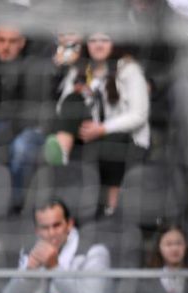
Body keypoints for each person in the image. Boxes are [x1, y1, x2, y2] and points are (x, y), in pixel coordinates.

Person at [42, 30, 150, 215]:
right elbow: (62, 109)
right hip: (90, 135)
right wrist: (80, 92)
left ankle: (112, 209)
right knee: (73, 99)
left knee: (111, 144)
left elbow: (139, 115)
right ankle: (62, 151)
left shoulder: (129, 69)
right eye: (93, 40)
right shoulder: (80, 68)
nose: (98, 45)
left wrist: (102, 128)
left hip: (127, 140)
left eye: (104, 40)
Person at [0, 23, 49, 207]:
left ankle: (12, 204)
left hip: (16, 130)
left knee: (23, 146)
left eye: (12, 41)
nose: (5, 47)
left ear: (22, 42)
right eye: (1, 40)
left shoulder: (32, 67)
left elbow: (25, 120)